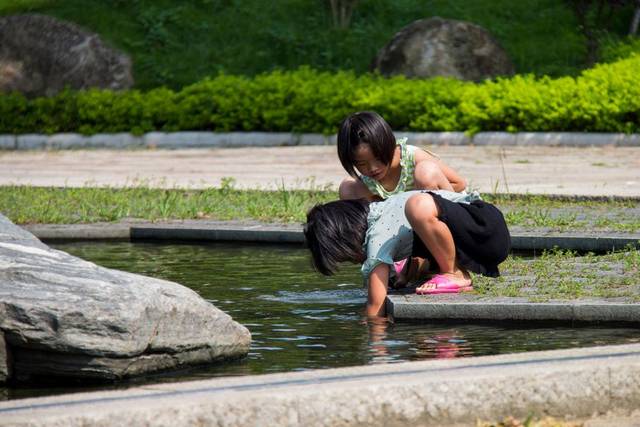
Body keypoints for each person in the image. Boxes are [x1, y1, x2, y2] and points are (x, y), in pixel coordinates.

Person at [303, 190, 510, 318]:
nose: (354, 260)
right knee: (416, 212)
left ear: (346, 240)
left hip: (485, 231)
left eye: (347, 257)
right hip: (483, 230)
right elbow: (411, 234)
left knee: (417, 206)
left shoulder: (377, 235)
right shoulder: (381, 212)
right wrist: (407, 274)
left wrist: (365, 328)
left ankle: (454, 274)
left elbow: (376, 306)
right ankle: (438, 269)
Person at [337, 111, 466, 202]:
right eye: (361, 164)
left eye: (378, 157)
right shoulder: (367, 181)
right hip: (403, 223)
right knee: (347, 187)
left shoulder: (414, 157)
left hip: (442, 212)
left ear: (388, 145)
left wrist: (417, 196)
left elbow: (459, 184)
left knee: (426, 173)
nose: (372, 168)